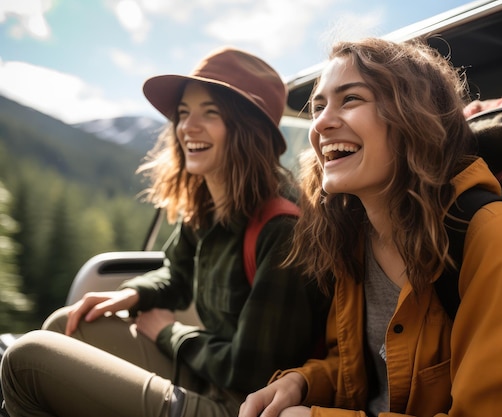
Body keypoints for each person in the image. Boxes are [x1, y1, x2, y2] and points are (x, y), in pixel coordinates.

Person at [238, 38, 502, 417]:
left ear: (414, 116)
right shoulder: (352, 237)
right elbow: (357, 370)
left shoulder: (496, 235)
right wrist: (304, 382)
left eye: (350, 99)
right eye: (319, 106)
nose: (321, 123)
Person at [0, 46, 328, 417]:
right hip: (204, 374)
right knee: (67, 325)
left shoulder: (282, 229)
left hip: (240, 405)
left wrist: (169, 333)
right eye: (184, 113)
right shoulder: (209, 206)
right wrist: (132, 295)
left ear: (248, 130)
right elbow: (176, 272)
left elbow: (250, 371)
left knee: (25, 360)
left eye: (210, 112)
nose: (187, 126)